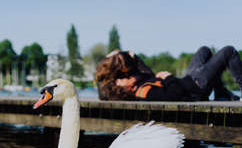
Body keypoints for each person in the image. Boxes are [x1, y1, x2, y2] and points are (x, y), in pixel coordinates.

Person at [96, 46, 242, 101]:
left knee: (204, 50)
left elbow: (148, 74)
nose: (127, 77)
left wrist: (131, 56)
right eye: (124, 79)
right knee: (228, 52)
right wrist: (168, 77)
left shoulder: (140, 82)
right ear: (125, 89)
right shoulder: (144, 91)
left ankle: (221, 92)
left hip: (189, 79)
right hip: (197, 86)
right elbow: (174, 94)